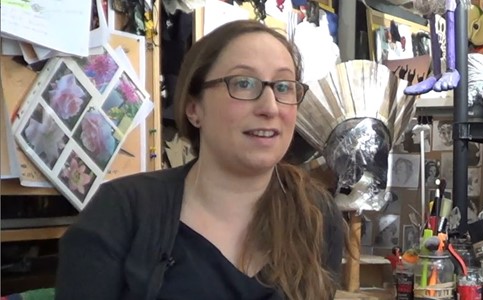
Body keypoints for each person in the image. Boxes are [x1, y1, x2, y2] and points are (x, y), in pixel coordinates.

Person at [55, 20, 347, 300]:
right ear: (194, 108)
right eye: (244, 83)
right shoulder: (120, 212)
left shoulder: (318, 217)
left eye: (283, 86)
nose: (270, 107)